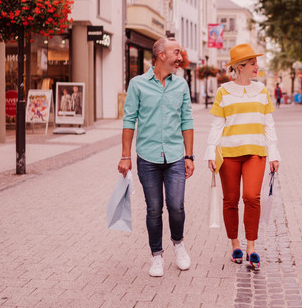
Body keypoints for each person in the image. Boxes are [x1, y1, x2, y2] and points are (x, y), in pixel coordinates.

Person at [118, 37, 195, 277]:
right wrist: (125, 156)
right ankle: (157, 256)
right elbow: (129, 120)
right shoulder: (137, 84)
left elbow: (187, 121)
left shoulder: (181, 85)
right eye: (176, 52)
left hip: (174, 157)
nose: (180, 57)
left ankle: (178, 244)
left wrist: (189, 156)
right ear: (161, 55)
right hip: (148, 158)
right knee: (153, 209)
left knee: (176, 206)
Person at [204, 44, 280, 268]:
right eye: (253, 63)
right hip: (228, 153)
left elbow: (269, 123)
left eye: (256, 63)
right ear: (240, 67)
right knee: (230, 200)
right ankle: (235, 244)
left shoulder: (262, 90)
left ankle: (252, 247)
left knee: (252, 197)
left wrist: (274, 154)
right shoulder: (223, 92)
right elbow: (217, 125)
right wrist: (210, 151)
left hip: (256, 151)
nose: (257, 66)